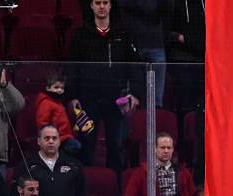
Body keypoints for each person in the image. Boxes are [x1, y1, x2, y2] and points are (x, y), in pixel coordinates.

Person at [66, 0, 139, 172]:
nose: (101, 6)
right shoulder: (81, 35)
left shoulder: (123, 34)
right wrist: (72, 96)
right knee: (86, 145)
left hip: (116, 101)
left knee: (116, 146)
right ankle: (85, 193)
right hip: (87, 101)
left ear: (110, 6)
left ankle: (117, 191)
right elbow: (71, 68)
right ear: (91, 5)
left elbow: (134, 66)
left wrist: (134, 93)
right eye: (97, 3)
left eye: (105, 2)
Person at [11, 125, 86, 196]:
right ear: (39, 141)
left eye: (54, 138)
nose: (51, 141)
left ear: (59, 141)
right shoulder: (25, 166)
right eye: (47, 138)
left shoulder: (74, 165)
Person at [119, 0, 170, 108]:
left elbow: (166, 10)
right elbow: (123, 5)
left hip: (156, 44)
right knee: (132, 100)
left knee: (156, 103)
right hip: (132, 45)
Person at [35, 72, 81, 157]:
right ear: (47, 88)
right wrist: (50, 137)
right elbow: (42, 123)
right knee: (75, 146)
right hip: (55, 138)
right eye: (56, 87)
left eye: (62, 88)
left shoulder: (57, 101)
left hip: (64, 136)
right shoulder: (46, 103)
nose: (59, 90)